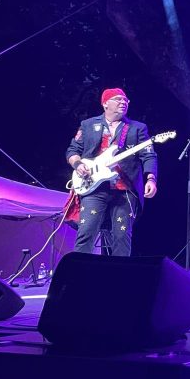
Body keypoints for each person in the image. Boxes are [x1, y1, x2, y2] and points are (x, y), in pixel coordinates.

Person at [66, 88, 158, 256]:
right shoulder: (88, 125)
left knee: (122, 236)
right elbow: (72, 151)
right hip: (93, 187)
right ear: (105, 103)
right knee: (86, 232)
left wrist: (151, 178)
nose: (123, 102)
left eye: (125, 100)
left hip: (125, 189)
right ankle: (79, 270)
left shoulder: (137, 128)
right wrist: (78, 164)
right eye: (118, 99)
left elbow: (149, 155)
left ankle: (119, 272)